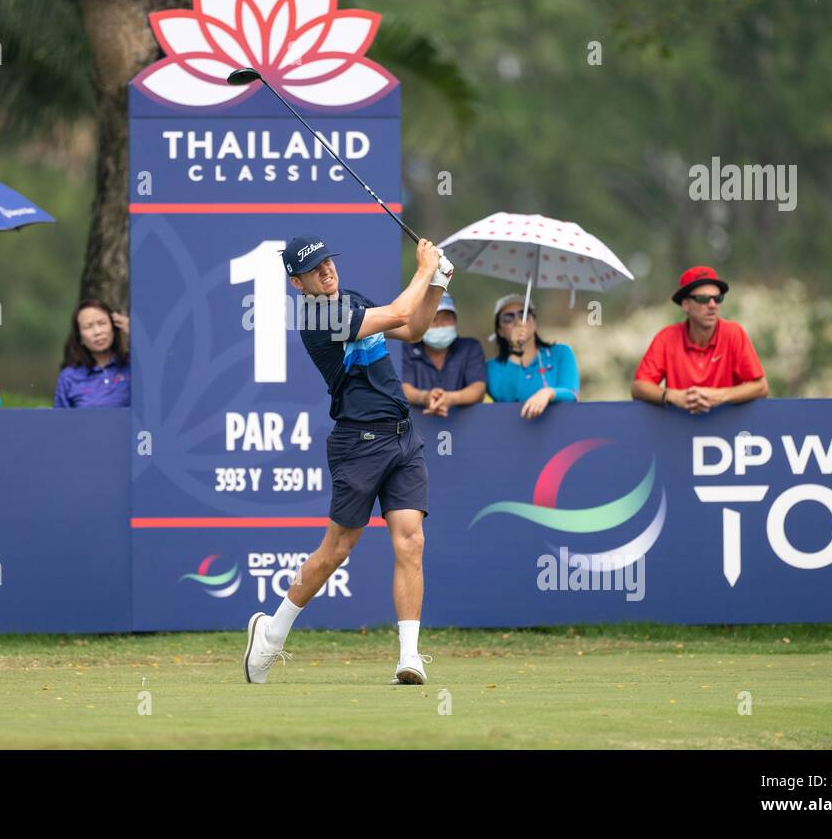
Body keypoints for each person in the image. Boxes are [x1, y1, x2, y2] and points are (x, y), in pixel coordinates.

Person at [244, 234, 452, 687]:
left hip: (402, 436)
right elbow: (398, 312)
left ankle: (410, 656)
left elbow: (412, 328)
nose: (326, 271)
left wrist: (437, 281)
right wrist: (423, 269)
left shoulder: (351, 299)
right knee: (335, 551)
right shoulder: (319, 316)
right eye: (314, 269)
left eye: (327, 262)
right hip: (358, 443)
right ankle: (271, 633)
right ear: (298, 283)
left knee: (410, 541)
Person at [631, 265, 768, 413]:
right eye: (703, 299)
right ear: (685, 305)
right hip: (679, 428)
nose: (712, 305)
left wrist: (720, 396)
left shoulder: (733, 333)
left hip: (728, 429)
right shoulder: (666, 337)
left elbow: (761, 387)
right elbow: (638, 387)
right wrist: (672, 396)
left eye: (717, 298)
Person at [485, 293, 580, 418]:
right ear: (500, 331)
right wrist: (516, 349)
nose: (518, 322)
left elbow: (572, 394)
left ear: (534, 323)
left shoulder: (561, 353)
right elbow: (506, 399)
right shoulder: (491, 367)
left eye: (524, 314)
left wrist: (547, 393)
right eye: (508, 318)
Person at [399, 292, 486, 416]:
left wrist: (451, 399)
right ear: (420, 322)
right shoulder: (406, 348)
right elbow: (403, 389)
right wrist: (425, 397)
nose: (440, 325)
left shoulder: (470, 347)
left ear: (455, 320)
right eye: (433, 319)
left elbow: (478, 388)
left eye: (447, 318)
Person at [53, 300, 130, 408]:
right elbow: (59, 422)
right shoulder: (69, 377)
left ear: (114, 327)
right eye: (88, 327)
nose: (97, 332)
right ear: (80, 338)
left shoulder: (134, 365)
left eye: (102, 323)